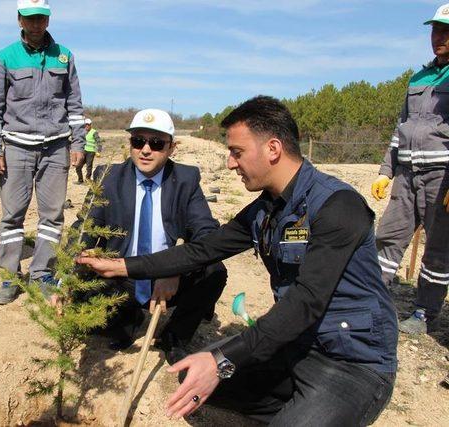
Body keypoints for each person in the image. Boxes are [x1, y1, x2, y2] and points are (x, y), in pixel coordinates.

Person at [79, 96, 398, 425]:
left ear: (272, 149)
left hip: (350, 362)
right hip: (293, 345)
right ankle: (295, 409)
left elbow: (306, 302)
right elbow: (201, 250)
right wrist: (120, 267)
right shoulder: (266, 209)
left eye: (237, 152)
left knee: (214, 367)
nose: (230, 163)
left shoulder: (338, 206)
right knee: (194, 380)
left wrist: (222, 358)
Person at [71, 109, 227, 361]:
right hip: (120, 271)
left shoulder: (185, 180)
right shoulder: (108, 178)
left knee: (214, 271)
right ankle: (125, 319)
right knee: (79, 285)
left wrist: (174, 268)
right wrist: (66, 275)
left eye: (156, 143)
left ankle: (174, 337)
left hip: (167, 272)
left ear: (171, 148)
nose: (145, 150)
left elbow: (206, 234)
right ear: (130, 143)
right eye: (138, 141)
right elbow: (84, 228)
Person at [0, 0, 86, 305]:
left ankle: (42, 273)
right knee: (12, 216)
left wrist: (78, 142)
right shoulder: (5, 58)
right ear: (19, 20)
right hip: (16, 147)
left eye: (41, 18)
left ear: (48, 19)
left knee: (52, 216)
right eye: (30, 19)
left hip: (56, 148)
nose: (36, 24)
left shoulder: (64, 56)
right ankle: (10, 277)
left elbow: (75, 105)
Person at [372, 3, 449, 335]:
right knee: (387, 237)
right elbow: (399, 127)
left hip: (442, 178)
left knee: (438, 248)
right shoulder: (419, 77)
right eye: (435, 30)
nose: (438, 37)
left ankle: (424, 313)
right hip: (407, 174)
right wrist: (385, 171)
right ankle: (373, 296)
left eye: (446, 31)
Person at [75, 118, 101, 183]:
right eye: (85, 125)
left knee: (89, 166)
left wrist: (98, 150)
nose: (87, 126)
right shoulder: (82, 132)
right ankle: (80, 180)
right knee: (78, 166)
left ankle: (88, 180)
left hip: (91, 152)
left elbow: (99, 142)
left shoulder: (94, 132)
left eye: (88, 125)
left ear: (90, 125)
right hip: (83, 151)